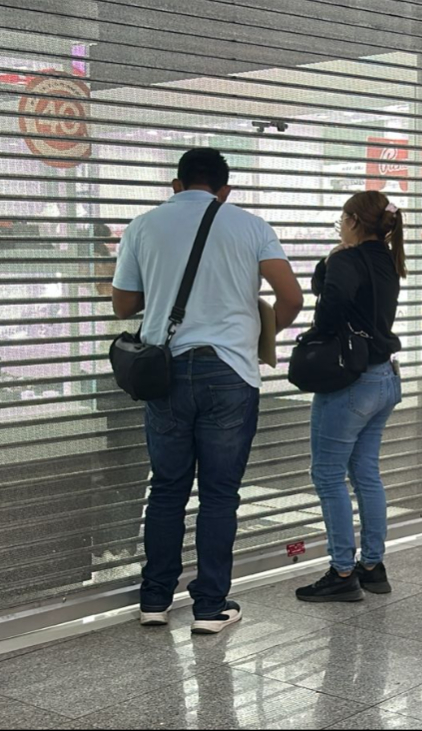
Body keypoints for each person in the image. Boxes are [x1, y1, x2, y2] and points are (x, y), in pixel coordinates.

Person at [112, 148, 304, 633]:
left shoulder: (143, 225)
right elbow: (291, 297)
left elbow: (122, 305)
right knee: (220, 494)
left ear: (175, 185)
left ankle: (154, 599)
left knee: (167, 489)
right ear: (225, 191)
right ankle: (209, 607)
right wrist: (261, 333)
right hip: (229, 373)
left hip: (167, 373)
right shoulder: (250, 225)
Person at [295, 190, 405, 603]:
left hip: (351, 384)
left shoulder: (348, 259)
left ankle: (342, 570)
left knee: (327, 474)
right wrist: (331, 261)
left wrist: (331, 261)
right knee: (365, 472)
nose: (339, 225)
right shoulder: (387, 260)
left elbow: (328, 309)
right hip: (385, 379)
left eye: (342, 218)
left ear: (356, 221)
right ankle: (372, 566)